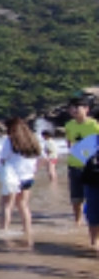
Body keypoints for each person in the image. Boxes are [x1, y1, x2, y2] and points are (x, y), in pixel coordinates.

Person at [0, 117, 42, 245]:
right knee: (23, 205)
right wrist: (34, 171)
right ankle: (27, 229)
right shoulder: (32, 139)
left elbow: (3, 158)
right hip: (28, 177)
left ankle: (4, 230)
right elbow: (41, 157)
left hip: (13, 177)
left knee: (6, 205)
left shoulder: (10, 140)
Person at [64, 94, 99, 225]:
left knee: (92, 195)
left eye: (77, 107)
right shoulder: (69, 125)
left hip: (92, 167)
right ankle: (77, 222)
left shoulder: (94, 125)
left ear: (86, 109)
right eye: (71, 108)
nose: (73, 110)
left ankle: (91, 220)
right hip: (74, 165)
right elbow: (69, 142)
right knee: (76, 197)